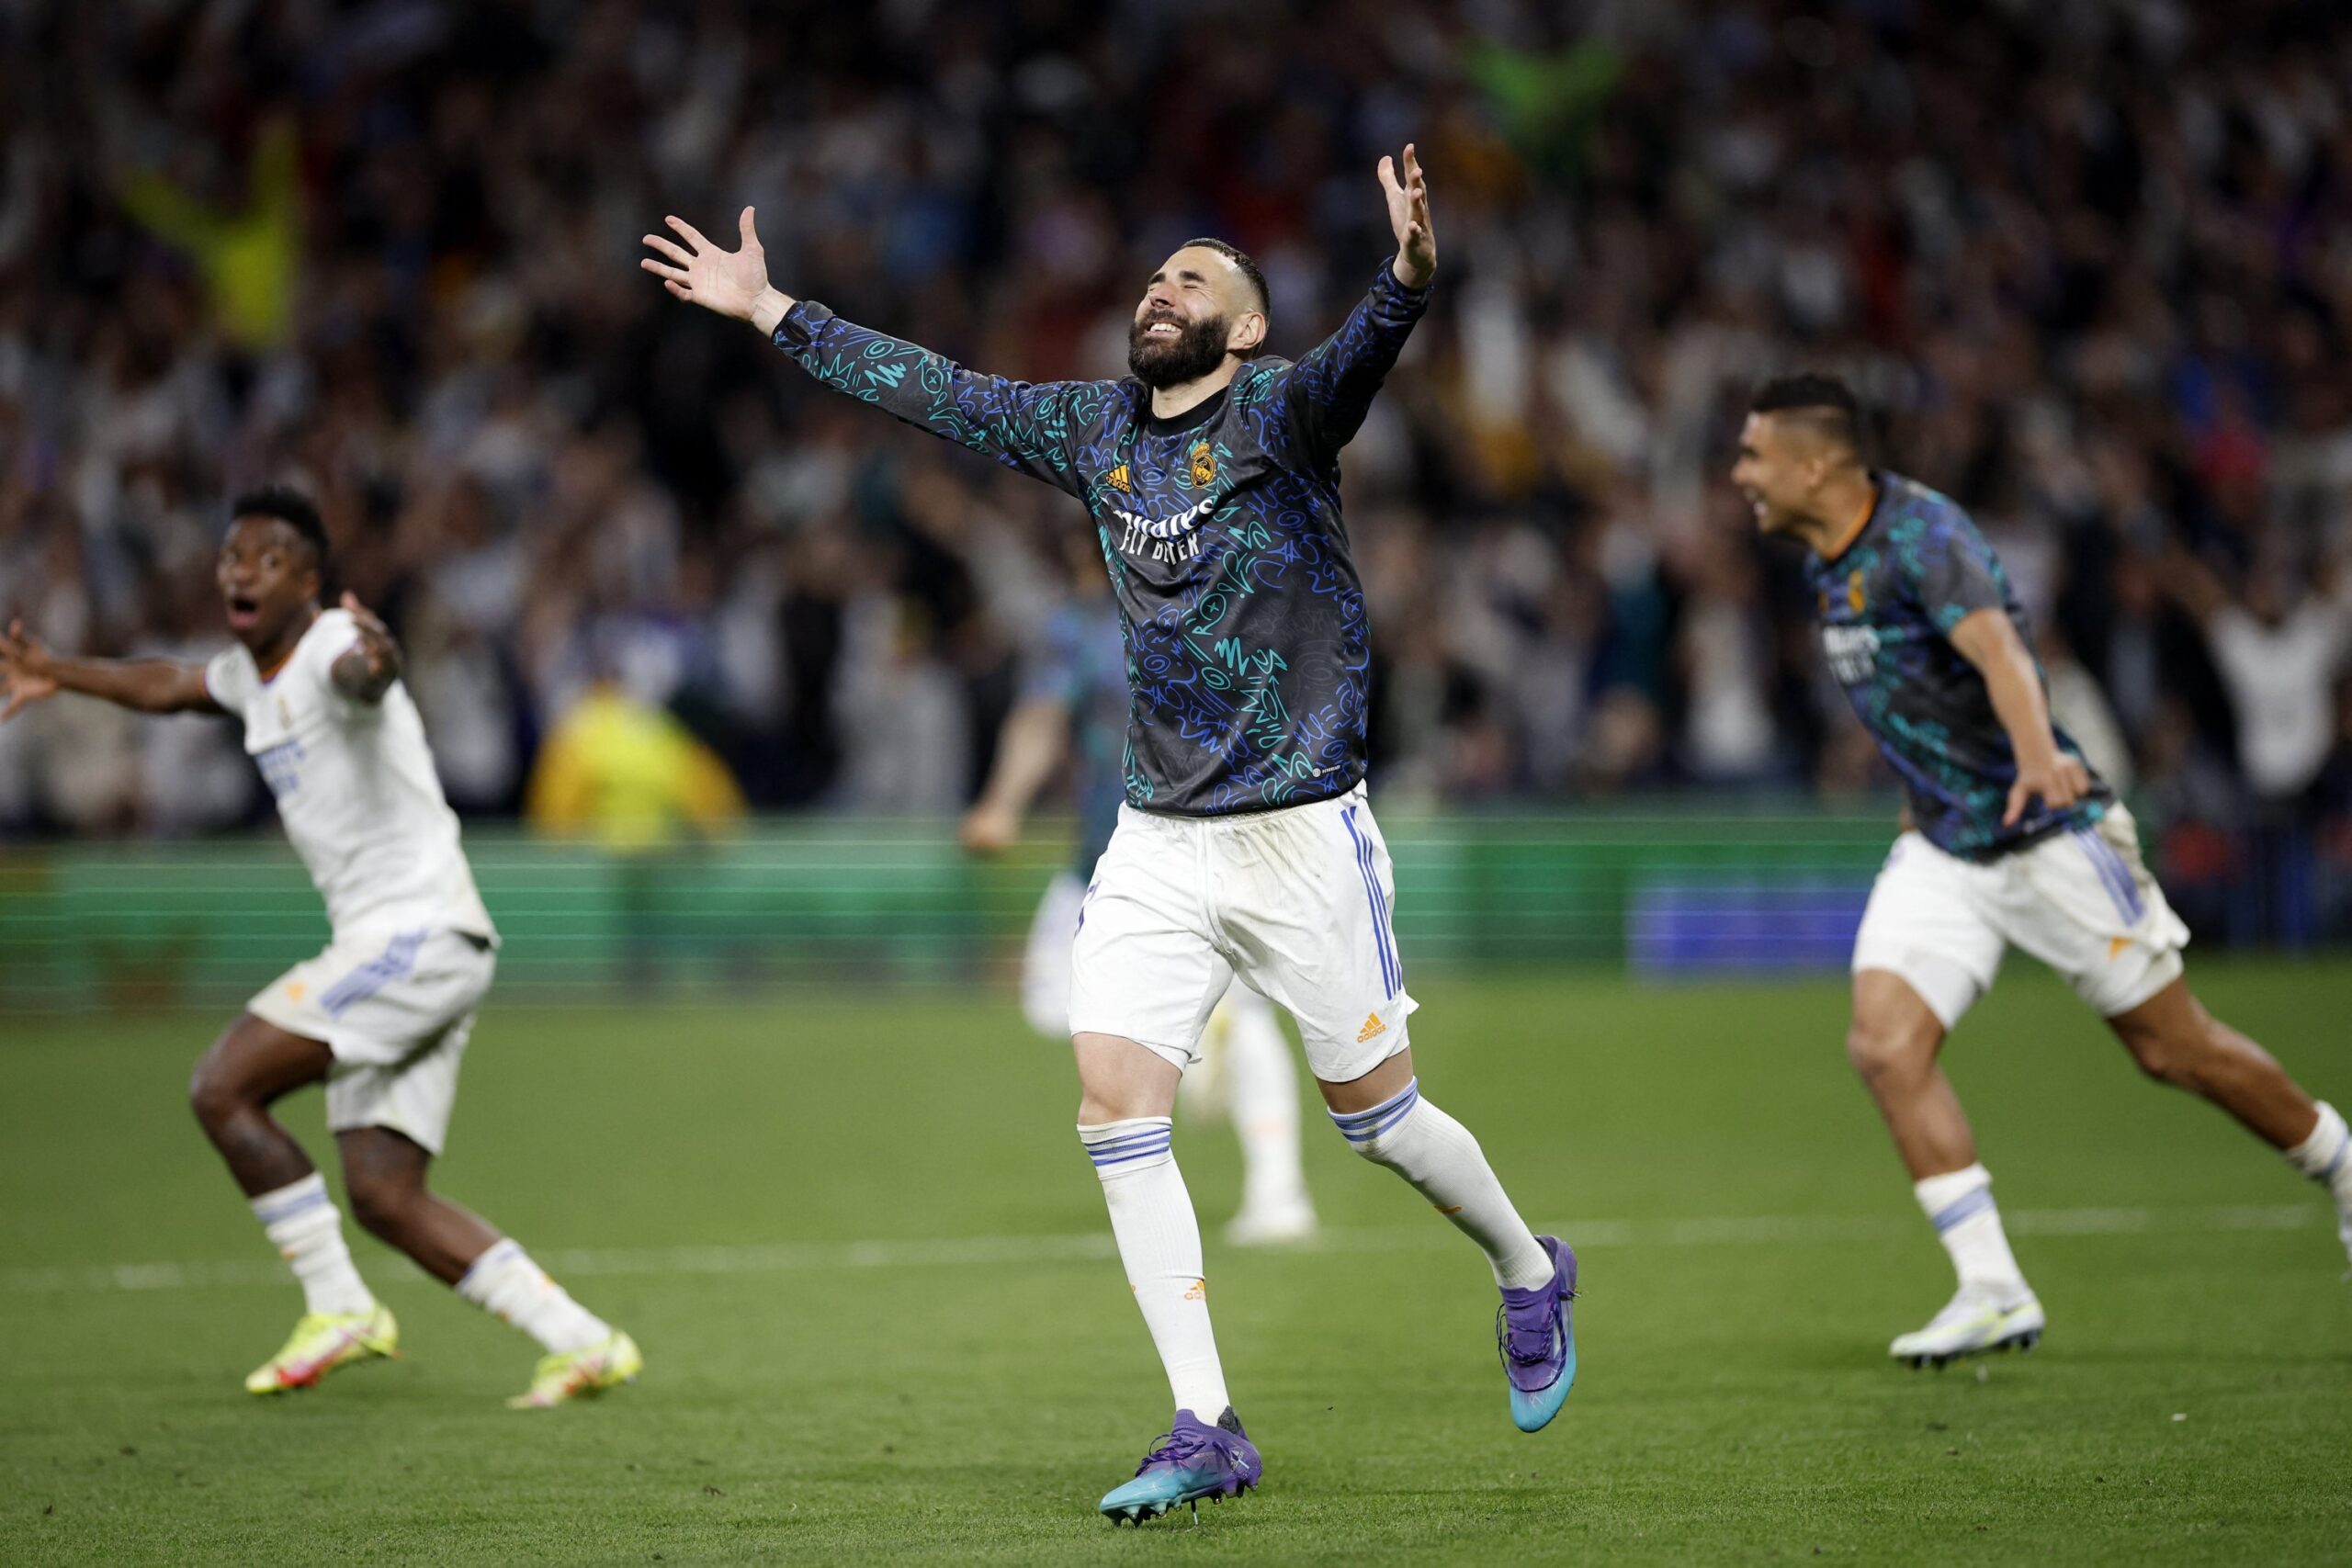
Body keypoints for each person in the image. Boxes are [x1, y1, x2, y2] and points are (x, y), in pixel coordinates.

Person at [644, 144, 1577, 1521]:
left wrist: (1409, 275)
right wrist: (780, 312)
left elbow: (1368, 353)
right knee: (1115, 1110)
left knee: (1377, 1125)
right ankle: (1207, 1418)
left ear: (1245, 325)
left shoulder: (1285, 415)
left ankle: (1524, 1265)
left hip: (1300, 830)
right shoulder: (1092, 430)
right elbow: (944, 394)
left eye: (1192, 280)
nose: (1160, 291)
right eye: (1152, 277)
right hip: (1154, 837)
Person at [1731, 374, 2352, 1368]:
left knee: (2172, 1051)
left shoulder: (1920, 537)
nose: (1739, 475)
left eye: (1753, 456)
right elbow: (1915, 694)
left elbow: (2002, 655)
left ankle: (2340, 1164)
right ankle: (1991, 1287)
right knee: (1886, 1048)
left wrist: (2035, 754)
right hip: (1942, 846)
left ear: (1814, 464)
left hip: (2046, 830)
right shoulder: (1825, 561)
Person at [0, 489, 641, 1408]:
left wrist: (380, 657)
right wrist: (59, 671)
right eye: (231, 557)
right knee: (383, 1194)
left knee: (222, 1085)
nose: (239, 571)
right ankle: (583, 1341)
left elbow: (365, 675)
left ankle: (339, 1306)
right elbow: (169, 684)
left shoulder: (332, 649)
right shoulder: (244, 676)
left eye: (265, 558)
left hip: (412, 936)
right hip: (426, 946)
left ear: (308, 581)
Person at [960, 538, 1316, 1247]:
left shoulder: (1132, 619)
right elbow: (1042, 720)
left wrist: (1001, 800)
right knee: (1055, 998)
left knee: (1243, 1013)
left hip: (1203, 845)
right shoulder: (1113, 620)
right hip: (1112, 854)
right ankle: (1190, 1036)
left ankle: (1279, 1192)